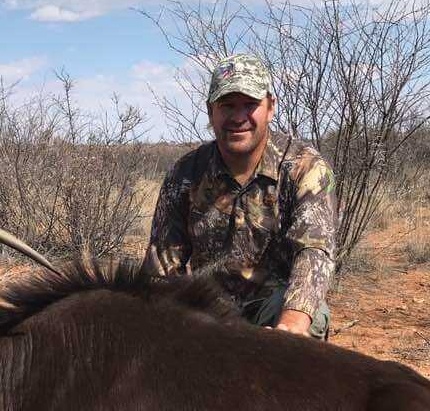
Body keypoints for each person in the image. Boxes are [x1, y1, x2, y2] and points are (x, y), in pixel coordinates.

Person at [143, 53, 337, 338]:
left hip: (274, 313)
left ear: (270, 108)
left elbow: (314, 252)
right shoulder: (184, 174)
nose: (237, 117)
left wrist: (291, 325)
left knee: (313, 315)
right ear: (211, 112)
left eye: (250, 105)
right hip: (205, 312)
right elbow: (160, 272)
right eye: (227, 105)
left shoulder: (306, 169)